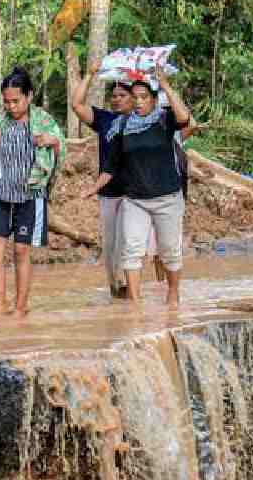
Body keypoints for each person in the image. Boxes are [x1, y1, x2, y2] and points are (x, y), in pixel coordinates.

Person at [82, 65, 192, 306]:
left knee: (170, 252)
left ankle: (173, 296)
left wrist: (165, 85)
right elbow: (111, 166)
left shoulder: (164, 119)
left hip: (167, 199)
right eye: (136, 98)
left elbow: (185, 118)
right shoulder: (122, 127)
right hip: (135, 201)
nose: (139, 102)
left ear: (154, 100)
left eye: (144, 97)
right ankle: (135, 303)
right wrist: (94, 188)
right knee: (130, 252)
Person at [0, 67, 65, 319]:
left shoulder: (43, 121)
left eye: (16, 100)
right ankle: (1, 302)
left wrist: (53, 142)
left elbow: (61, 151)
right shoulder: (0, 121)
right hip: (2, 193)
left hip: (30, 195)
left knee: (21, 251)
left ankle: (21, 307)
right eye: (6, 101)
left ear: (29, 96)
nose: (11, 106)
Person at [70, 64, 139, 298]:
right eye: (114, 96)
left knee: (128, 245)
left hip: (135, 194)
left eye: (122, 95)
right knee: (110, 250)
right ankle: (115, 293)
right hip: (109, 193)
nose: (116, 100)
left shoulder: (144, 121)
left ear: (134, 98)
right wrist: (89, 74)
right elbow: (77, 105)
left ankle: (132, 295)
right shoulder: (105, 120)